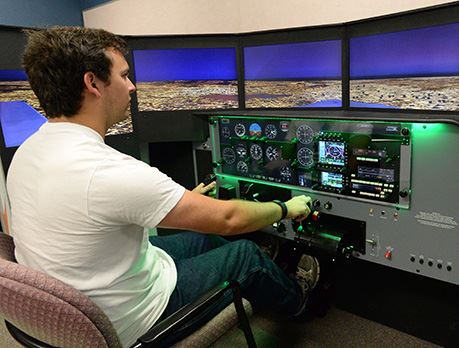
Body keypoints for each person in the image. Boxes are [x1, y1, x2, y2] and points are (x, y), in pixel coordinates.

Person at [6, 27, 319, 347]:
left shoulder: (27, 152)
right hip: (132, 320)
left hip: (83, 300)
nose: (131, 86)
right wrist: (285, 208)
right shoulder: (109, 171)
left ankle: (269, 274)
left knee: (204, 238)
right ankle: (301, 302)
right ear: (93, 83)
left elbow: (91, 216)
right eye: (124, 75)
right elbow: (229, 219)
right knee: (245, 253)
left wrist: (180, 202)